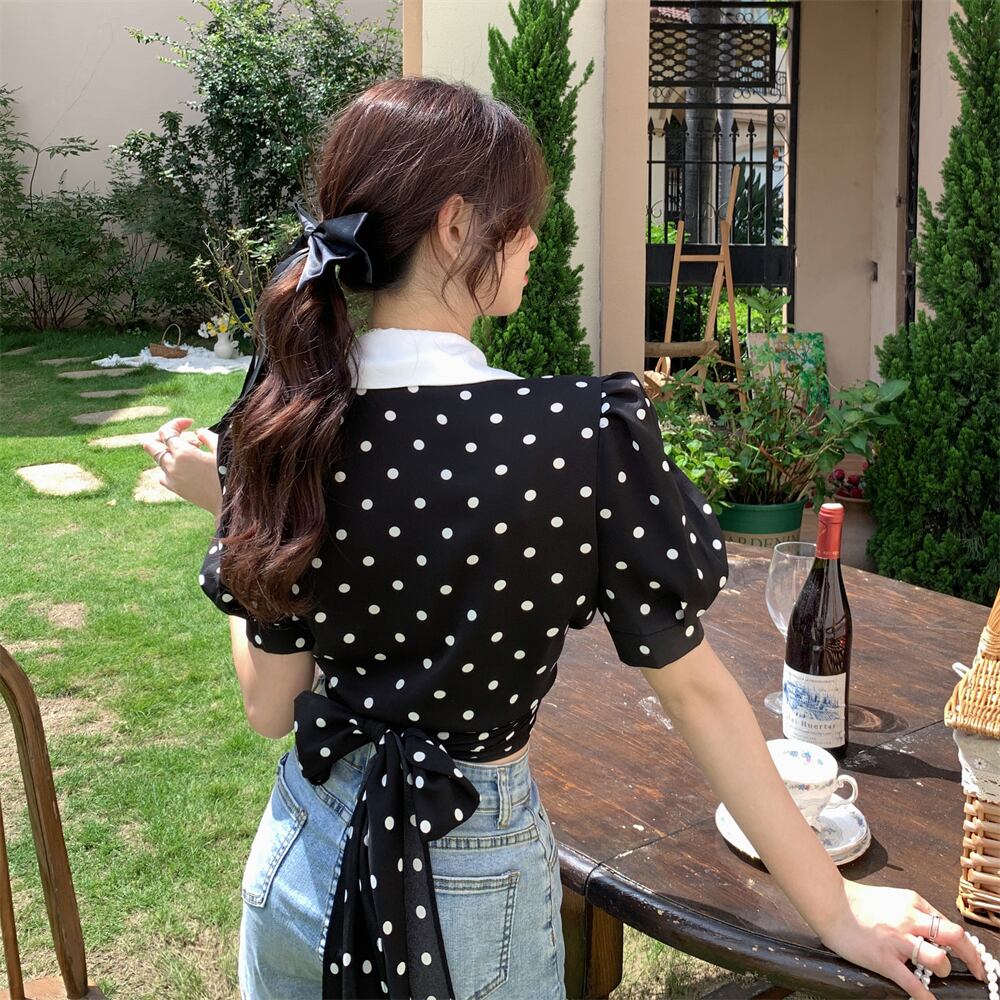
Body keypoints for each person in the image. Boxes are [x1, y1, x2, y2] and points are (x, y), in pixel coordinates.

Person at [143, 76, 986, 1000]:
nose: (536, 240)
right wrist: (835, 908)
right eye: (521, 220)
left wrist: (236, 511)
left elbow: (272, 706)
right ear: (456, 226)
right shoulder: (572, 437)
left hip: (301, 863)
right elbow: (696, 692)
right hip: (469, 893)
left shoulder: (281, 435)